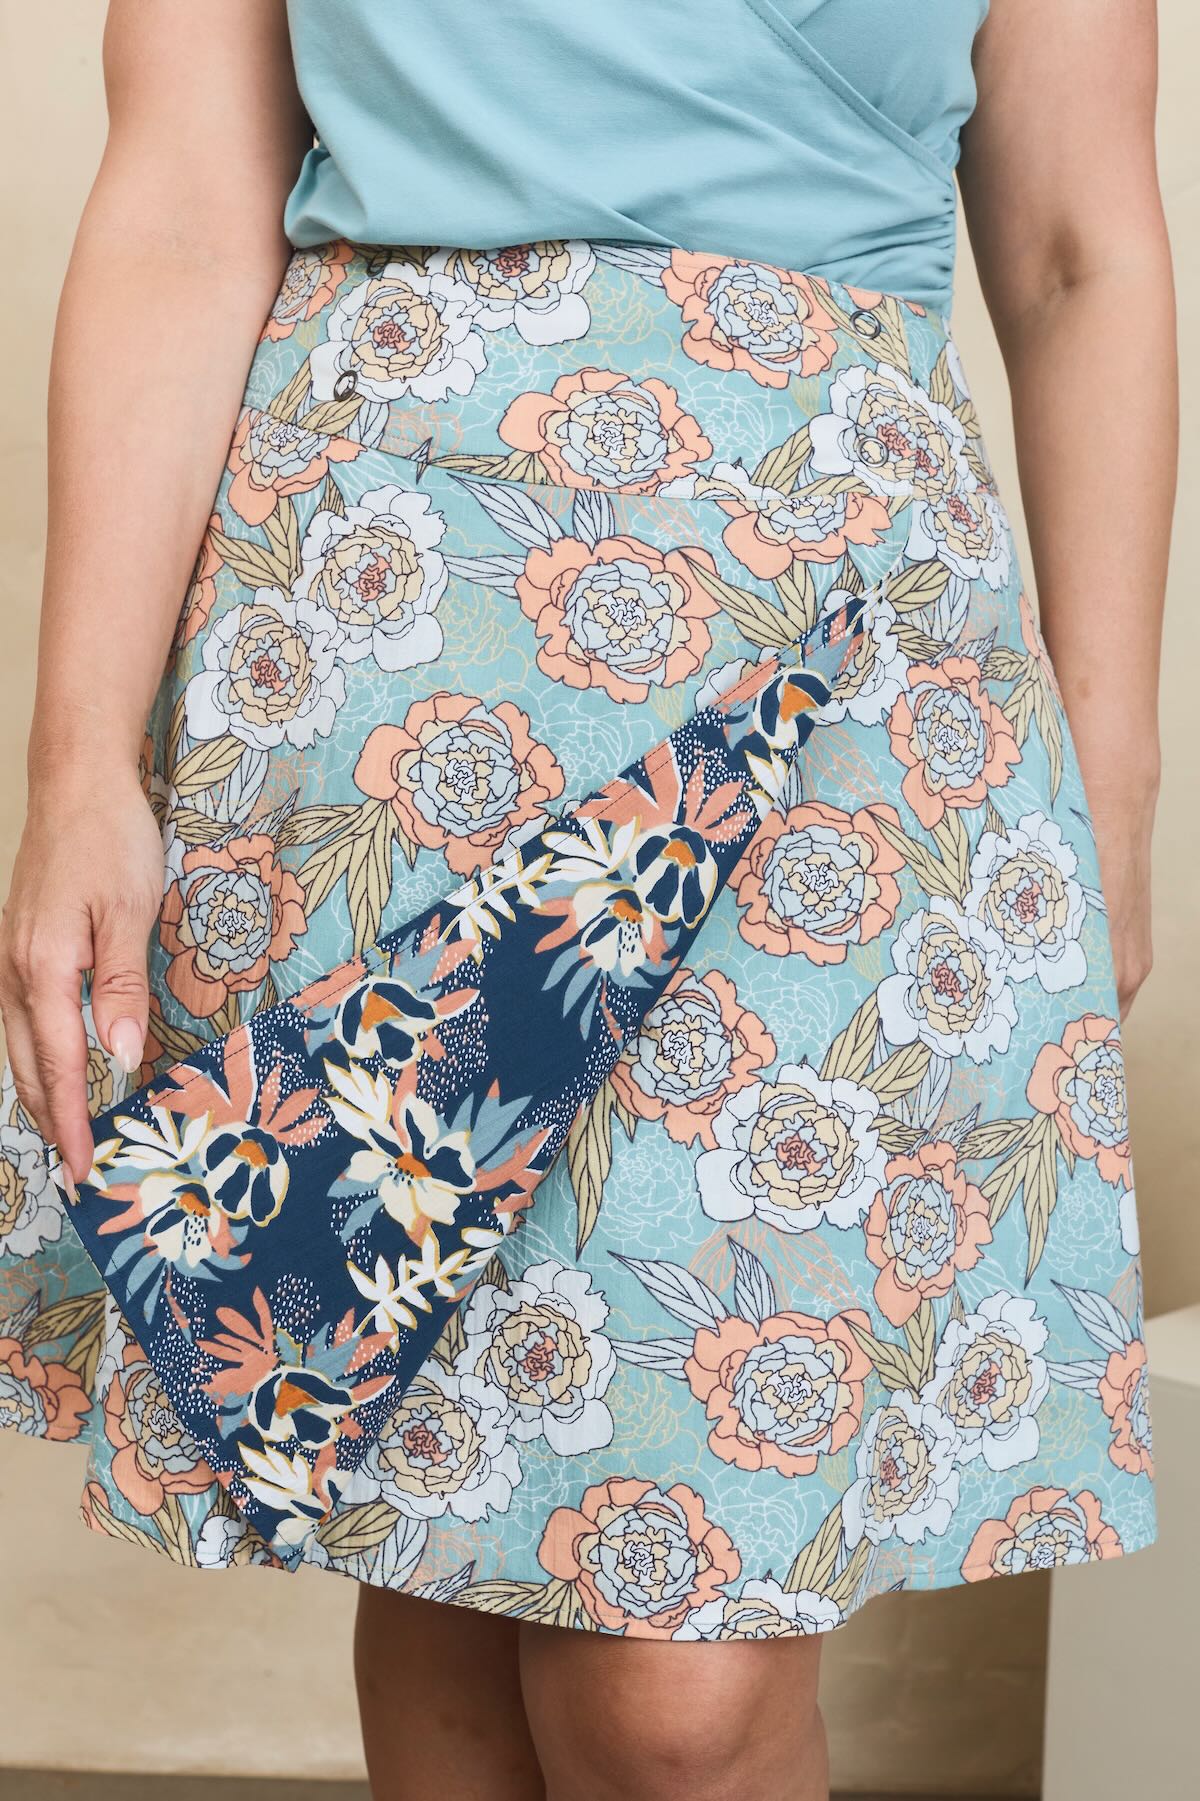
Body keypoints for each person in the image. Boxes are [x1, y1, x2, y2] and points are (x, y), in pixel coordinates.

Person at [0, 4, 1173, 1798]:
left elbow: (1080, 253)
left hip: (833, 673)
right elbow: (177, 205)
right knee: (445, 1520)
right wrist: (79, 761)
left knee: (669, 1694)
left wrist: (1108, 778)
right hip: (391, 634)